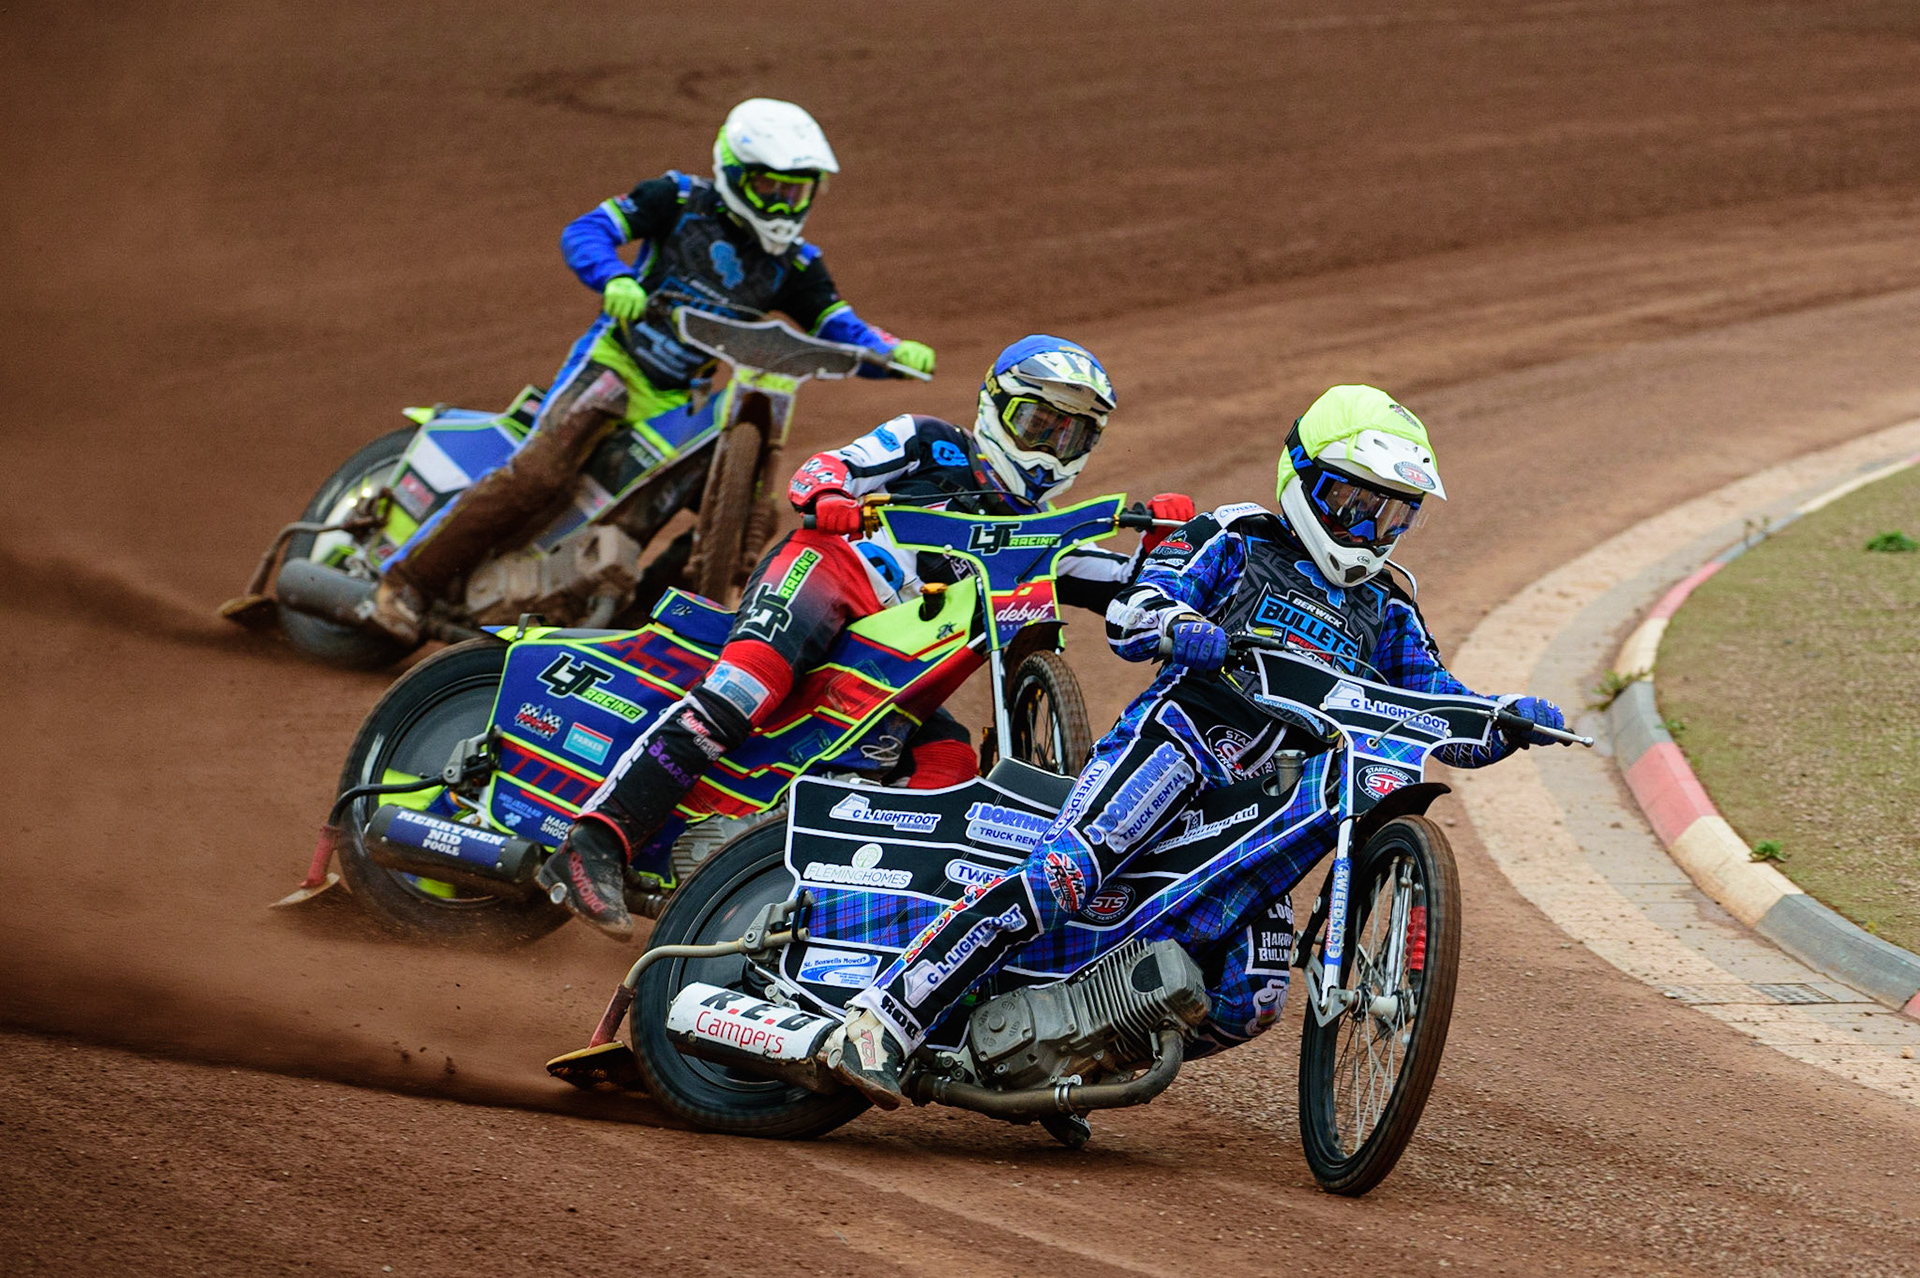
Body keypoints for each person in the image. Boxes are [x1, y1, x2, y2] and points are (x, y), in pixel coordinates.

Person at [827, 383, 1573, 1107]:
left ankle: (1068, 1057)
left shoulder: (1388, 612)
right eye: (1354, 502)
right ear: (1306, 481)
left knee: (1252, 997)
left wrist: (1505, 718)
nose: (1369, 528)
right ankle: (881, 1020)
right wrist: (1178, 625)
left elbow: (1440, 709)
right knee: (1062, 876)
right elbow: (1137, 606)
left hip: (1271, 799)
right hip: (1181, 740)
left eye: (1392, 514)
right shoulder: (1239, 540)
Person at [536, 334, 1196, 940]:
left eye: (1070, 437)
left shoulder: (1043, 532)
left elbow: (1124, 584)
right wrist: (828, 492)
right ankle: (595, 842)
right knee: (743, 687)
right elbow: (831, 466)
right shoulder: (929, 442)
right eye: (1038, 425)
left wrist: (1169, 545)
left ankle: (849, 905)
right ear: (996, 407)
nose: (1050, 449)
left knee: (951, 764)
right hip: (831, 572)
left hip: (889, 661)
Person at [364, 98, 936, 643]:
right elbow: (586, 231)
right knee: (540, 475)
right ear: (734, 173)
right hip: (617, 363)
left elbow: (841, 326)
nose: (784, 206)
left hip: (680, 399)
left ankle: (647, 629)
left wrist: (891, 349)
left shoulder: (797, 264)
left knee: (740, 524)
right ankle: (406, 581)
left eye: (797, 192)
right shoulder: (677, 199)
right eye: (770, 188)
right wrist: (613, 277)